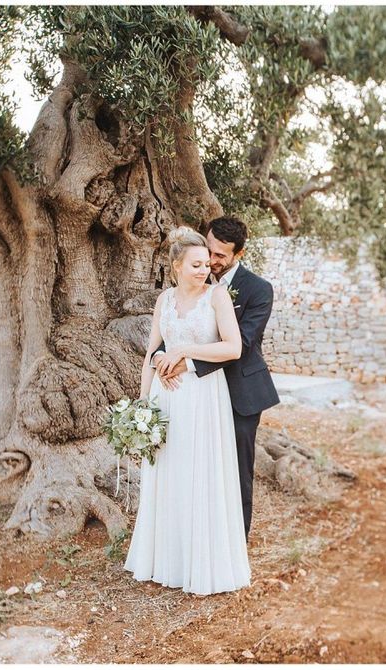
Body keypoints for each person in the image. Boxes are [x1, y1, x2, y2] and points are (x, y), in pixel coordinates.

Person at [123, 226, 250, 595]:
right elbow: (151, 352)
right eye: (195, 264)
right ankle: (169, 559)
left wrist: (185, 352)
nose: (204, 269)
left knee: (199, 474)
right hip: (167, 400)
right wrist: (141, 405)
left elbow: (233, 348)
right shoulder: (163, 299)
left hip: (203, 398)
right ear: (176, 266)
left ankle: (201, 563)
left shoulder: (218, 297)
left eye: (206, 263)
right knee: (169, 472)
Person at [153, 216, 280, 542]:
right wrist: (161, 358)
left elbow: (244, 342)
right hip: (196, 393)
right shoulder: (192, 282)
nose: (211, 260)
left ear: (239, 253)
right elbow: (176, 329)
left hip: (240, 391)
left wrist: (189, 362)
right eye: (209, 250)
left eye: (220, 255)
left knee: (235, 469)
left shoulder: (258, 290)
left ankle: (235, 541)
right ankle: (199, 536)